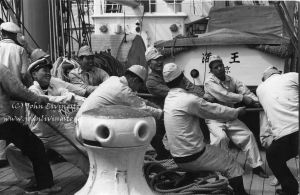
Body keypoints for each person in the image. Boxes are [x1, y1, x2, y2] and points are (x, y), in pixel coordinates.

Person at [162, 62, 249, 194]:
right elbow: (214, 111)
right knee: (231, 163)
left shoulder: (168, 99)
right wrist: (236, 112)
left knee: (212, 153)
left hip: (177, 155)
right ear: (183, 79)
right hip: (193, 156)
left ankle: (190, 177)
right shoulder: (188, 100)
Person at [6, 55, 89, 186]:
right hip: (38, 135)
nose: (48, 73)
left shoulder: (54, 86)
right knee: (12, 150)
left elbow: (64, 92)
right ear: (34, 74)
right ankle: (31, 177)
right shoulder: (32, 91)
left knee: (80, 150)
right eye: (43, 70)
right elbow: (41, 99)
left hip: (58, 132)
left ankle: (93, 177)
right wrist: (62, 99)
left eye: (48, 71)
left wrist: (70, 96)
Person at [76, 65, 170, 159]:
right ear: (134, 80)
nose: (137, 88)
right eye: (139, 85)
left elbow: (137, 100)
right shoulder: (122, 90)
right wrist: (163, 114)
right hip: (89, 128)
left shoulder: (113, 79)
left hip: (81, 123)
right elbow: (143, 108)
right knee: (144, 122)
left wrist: (154, 107)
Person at [0, 64, 61, 194]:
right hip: (3, 121)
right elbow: (15, 89)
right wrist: (36, 99)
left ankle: (35, 180)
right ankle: (46, 186)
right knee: (36, 147)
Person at [204, 55, 268, 178]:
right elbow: (224, 95)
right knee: (221, 139)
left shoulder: (232, 80)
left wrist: (256, 101)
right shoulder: (209, 82)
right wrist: (242, 98)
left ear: (224, 66)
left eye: (220, 65)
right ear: (211, 71)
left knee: (248, 136)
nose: (219, 69)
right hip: (215, 118)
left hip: (230, 116)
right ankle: (219, 168)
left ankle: (256, 166)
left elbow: (246, 91)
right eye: (215, 67)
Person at [257, 66, 298, 195]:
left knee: (273, 156)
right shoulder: (292, 76)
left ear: (264, 79)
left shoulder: (260, 89)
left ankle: (290, 190)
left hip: (284, 135)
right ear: (279, 73)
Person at [0, 22, 29, 168]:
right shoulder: (20, 50)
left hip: (1, 97)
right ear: (14, 35)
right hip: (16, 96)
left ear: (2, 33)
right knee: (17, 127)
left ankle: (2, 157)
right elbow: (24, 74)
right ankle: (17, 157)